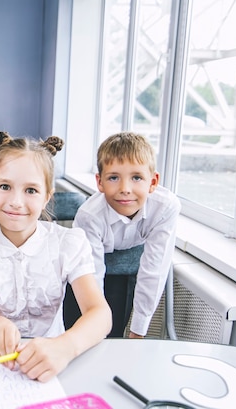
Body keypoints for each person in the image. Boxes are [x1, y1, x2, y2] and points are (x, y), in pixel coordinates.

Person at [0, 130, 112, 383]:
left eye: (31, 190)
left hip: (55, 361)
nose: (16, 202)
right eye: (5, 187)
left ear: (46, 197)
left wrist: (65, 347)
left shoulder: (68, 243)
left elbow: (100, 313)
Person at [73, 131, 181, 339]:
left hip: (132, 270)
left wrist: (138, 331)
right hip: (96, 267)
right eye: (113, 178)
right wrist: (96, 328)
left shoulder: (166, 207)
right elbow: (93, 275)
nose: (125, 189)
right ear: (100, 182)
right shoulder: (89, 216)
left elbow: (154, 268)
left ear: (153, 182)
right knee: (96, 332)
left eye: (137, 178)